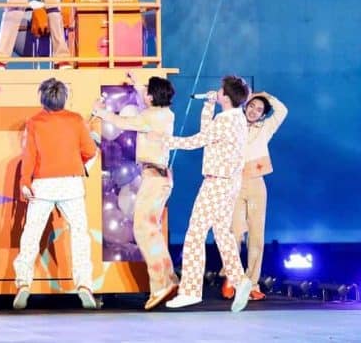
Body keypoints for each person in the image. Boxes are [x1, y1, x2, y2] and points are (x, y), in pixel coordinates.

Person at [91, 74, 179, 309]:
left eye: (147, 91)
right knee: (152, 231)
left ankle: (160, 285)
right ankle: (168, 279)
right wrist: (139, 84)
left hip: (153, 178)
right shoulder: (165, 114)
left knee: (143, 230)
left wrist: (99, 111)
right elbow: (145, 103)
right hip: (160, 177)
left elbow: (123, 123)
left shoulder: (150, 117)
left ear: (151, 97)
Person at [165, 75, 253, 312]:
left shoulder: (225, 120)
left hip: (216, 182)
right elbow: (208, 134)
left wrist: (168, 142)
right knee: (222, 233)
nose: (217, 91)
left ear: (226, 96)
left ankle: (190, 291)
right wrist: (207, 106)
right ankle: (239, 280)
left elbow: (198, 140)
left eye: (220, 90)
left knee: (195, 233)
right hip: (229, 182)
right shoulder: (237, 118)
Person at [13, 78, 98, 310]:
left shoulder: (34, 122)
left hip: (42, 185)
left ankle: (23, 283)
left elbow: (29, 155)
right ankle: (84, 285)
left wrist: (25, 181)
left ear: (42, 98)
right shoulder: (76, 120)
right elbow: (91, 151)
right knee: (80, 234)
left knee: (31, 234)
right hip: (71, 184)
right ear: (64, 98)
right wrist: (78, 166)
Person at [221, 91, 289, 301]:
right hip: (234, 183)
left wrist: (264, 95)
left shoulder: (265, 128)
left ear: (262, 114)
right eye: (251, 106)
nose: (254, 111)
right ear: (245, 106)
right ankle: (232, 277)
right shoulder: (233, 124)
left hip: (257, 184)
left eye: (259, 110)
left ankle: (251, 283)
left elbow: (282, 111)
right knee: (235, 233)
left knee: (256, 236)